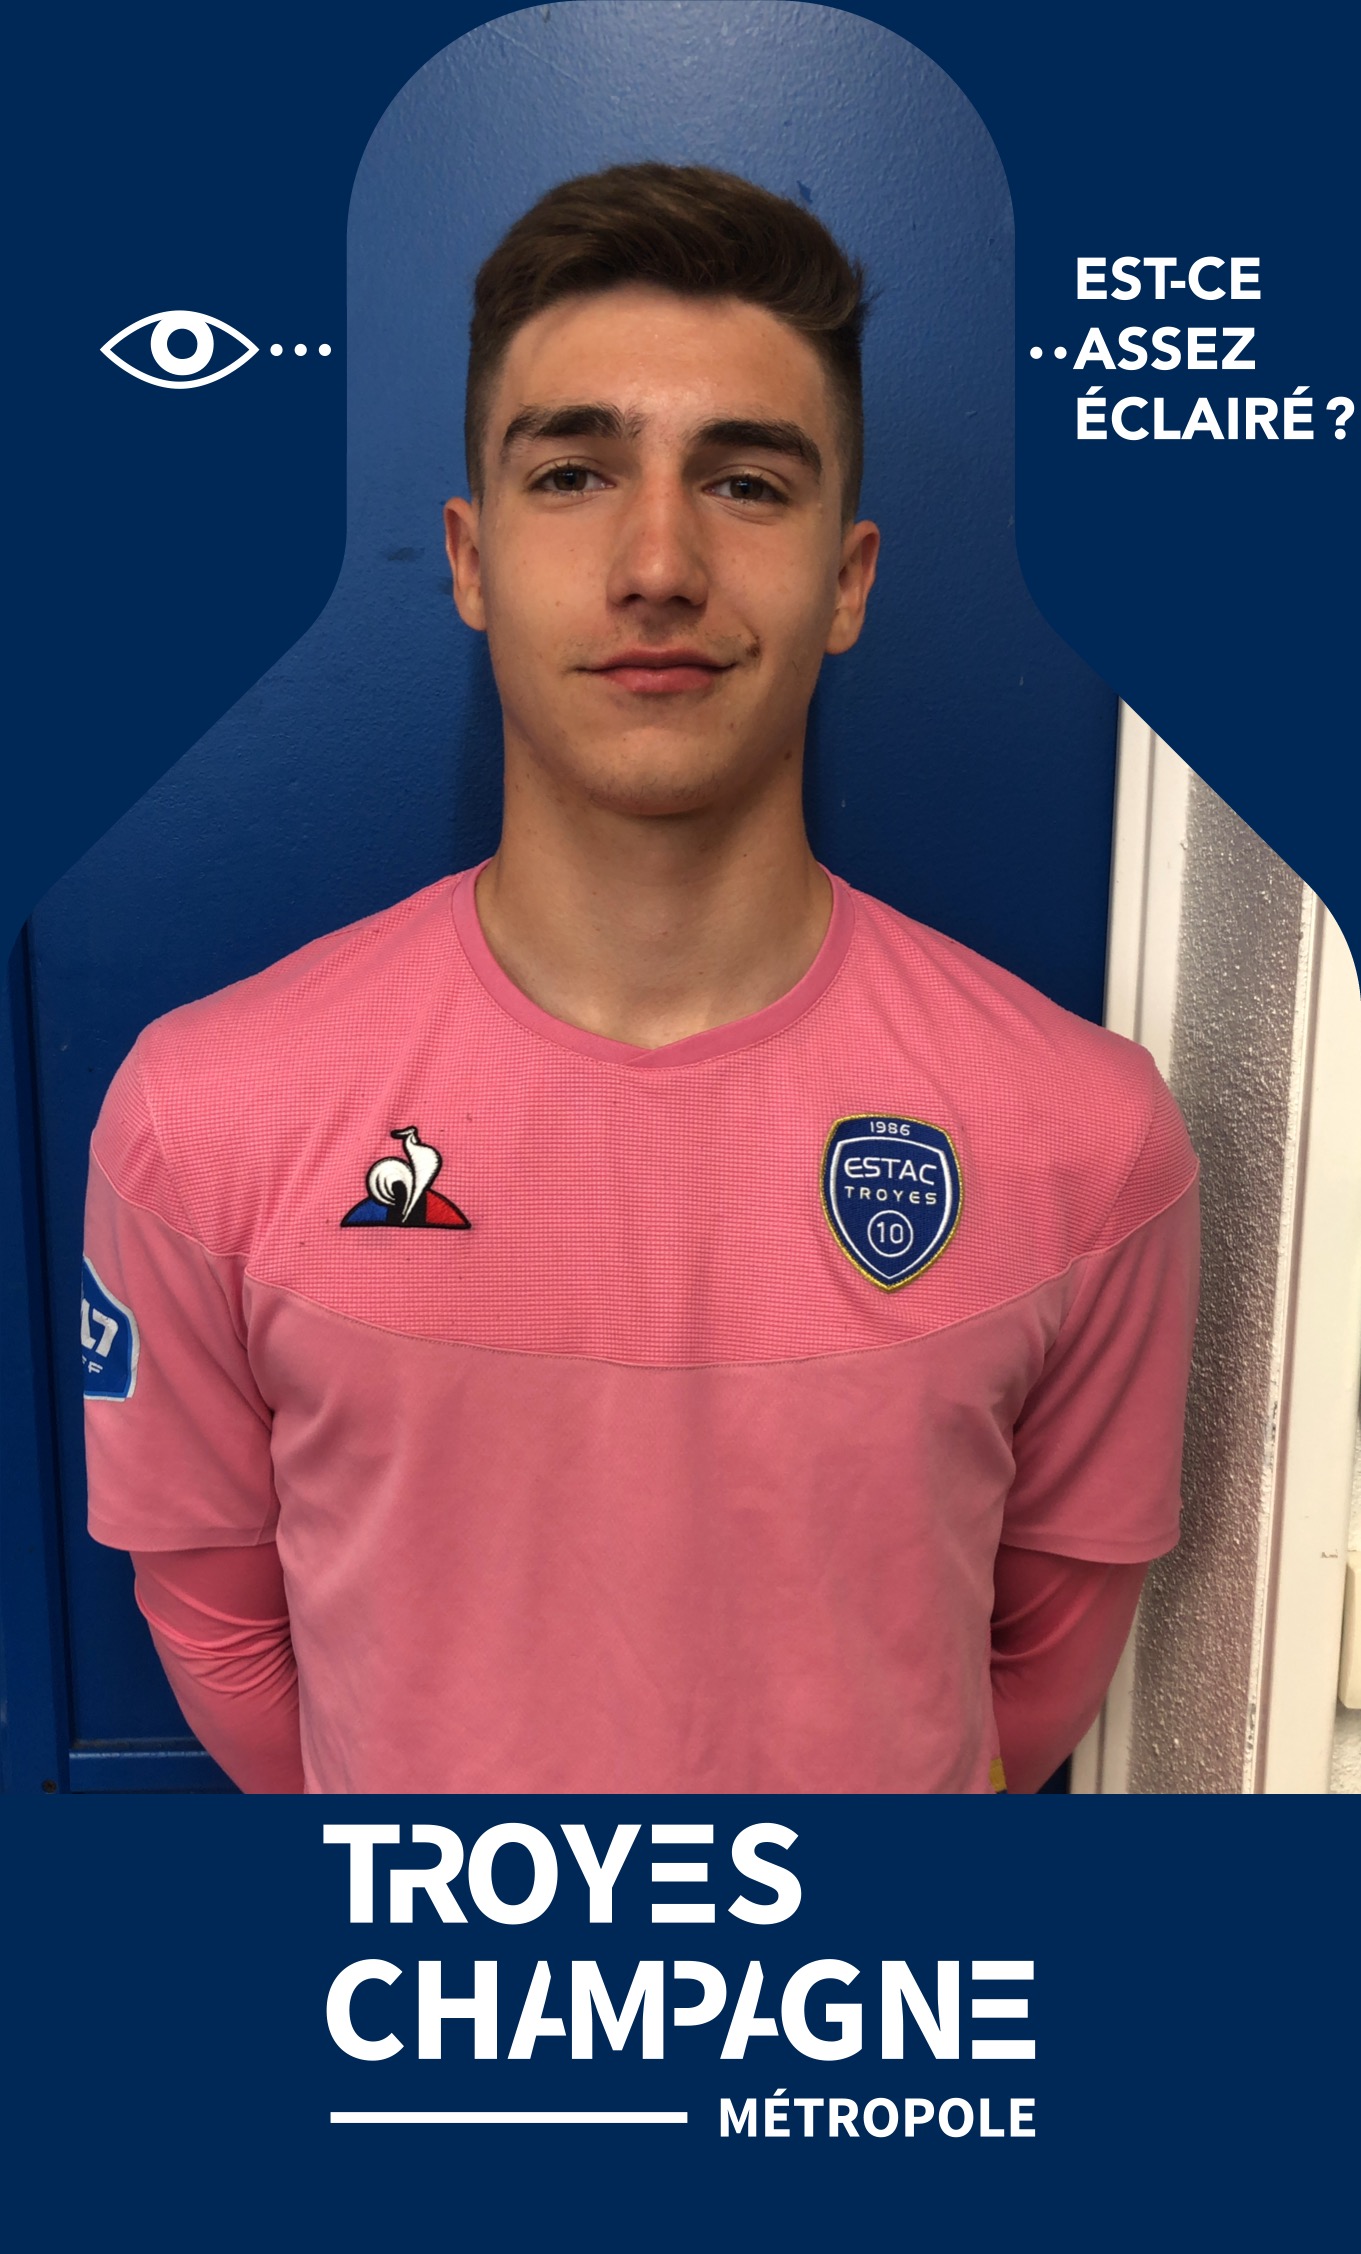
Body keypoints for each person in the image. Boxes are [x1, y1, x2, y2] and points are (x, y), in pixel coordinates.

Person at [81, 163, 1199, 1795]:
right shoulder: (201, 1120)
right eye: (573, 473)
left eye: (744, 482)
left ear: (847, 580)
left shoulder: (1086, 1142)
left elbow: (1029, 1684)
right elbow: (231, 1654)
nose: (658, 561)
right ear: (469, 558)